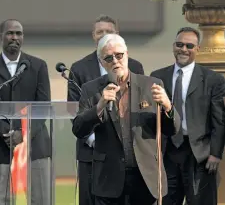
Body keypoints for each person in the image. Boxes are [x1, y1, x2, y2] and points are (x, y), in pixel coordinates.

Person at [72, 33, 181, 205]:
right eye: (108, 58)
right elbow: (78, 129)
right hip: (109, 181)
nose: (115, 61)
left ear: (127, 54)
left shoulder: (152, 84)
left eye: (119, 55)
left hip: (147, 180)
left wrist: (168, 107)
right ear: (101, 62)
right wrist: (99, 106)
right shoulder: (91, 89)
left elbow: (172, 129)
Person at [67, 14, 144, 205]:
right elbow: (75, 110)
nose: (103, 35)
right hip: (90, 151)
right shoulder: (79, 68)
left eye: (108, 31)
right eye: (99, 31)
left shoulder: (135, 66)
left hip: (128, 157)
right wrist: (93, 139)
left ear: (117, 34)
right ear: (93, 35)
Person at [0, 19, 51, 205]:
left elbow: (42, 107)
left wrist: (23, 134)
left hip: (36, 147)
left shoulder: (38, 66)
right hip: (3, 147)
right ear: (0, 37)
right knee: (3, 200)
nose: (14, 37)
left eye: (19, 34)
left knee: (41, 200)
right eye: (10, 33)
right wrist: (9, 133)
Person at [150, 27, 225, 205]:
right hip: (168, 152)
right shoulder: (157, 77)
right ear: (173, 46)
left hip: (200, 155)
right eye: (179, 44)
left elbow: (219, 120)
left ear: (197, 49)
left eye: (189, 45)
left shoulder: (212, 80)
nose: (183, 49)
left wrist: (215, 153)